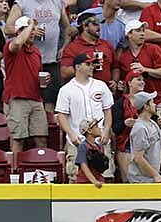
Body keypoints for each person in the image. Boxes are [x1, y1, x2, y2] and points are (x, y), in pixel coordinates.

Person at [55, 53, 114, 183]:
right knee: (76, 177)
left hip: (100, 140)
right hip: (77, 140)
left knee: (106, 175)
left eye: (92, 64)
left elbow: (108, 111)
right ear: (77, 67)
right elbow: (61, 115)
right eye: (88, 64)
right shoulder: (66, 89)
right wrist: (71, 134)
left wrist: (106, 130)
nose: (92, 67)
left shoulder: (101, 86)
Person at [5, 0, 71, 112]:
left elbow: (67, 28)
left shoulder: (57, 3)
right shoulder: (21, 3)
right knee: (30, 99)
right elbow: (8, 28)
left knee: (51, 100)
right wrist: (31, 31)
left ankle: (48, 128)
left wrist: (64, 46)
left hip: (51, 61)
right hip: (28, 60)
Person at [3, 16, 50, 169]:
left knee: (41, 138)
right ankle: (15, 173)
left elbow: (37, 76)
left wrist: (45, 81)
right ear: (18, 32)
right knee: (18, 139)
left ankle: (41, 171)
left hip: (36, 98)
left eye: (31, 30)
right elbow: (17, 43)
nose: (30, 32)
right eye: (25, 29)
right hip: (17, 98)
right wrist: (31, 25)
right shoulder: (11, 45)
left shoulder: (36, 52)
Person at [117, 20, 161, 111]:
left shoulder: (154, 49)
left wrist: (145, 70)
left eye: (143, 30)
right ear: (129, 34)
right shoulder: (124, 58)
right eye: (138, 31)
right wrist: (122, 85)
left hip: (160, 100)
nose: (142, 34)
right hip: (138, 104)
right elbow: (126, 83)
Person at [60, 11, 118, 89]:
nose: (99, 27)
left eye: (99, 24)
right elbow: (64, 72)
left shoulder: (106, 44)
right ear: (85, 26)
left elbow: (115, 67)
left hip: (106, 91)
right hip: (83, 92)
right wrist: (86, 65)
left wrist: (115, 81)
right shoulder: (72, 47)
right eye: (95, 24)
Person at [112, 70, 147, 182]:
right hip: (126, 145)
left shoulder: (148, 101)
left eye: (143, 80)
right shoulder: (120, 103)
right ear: (129, 83)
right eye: (138, 79)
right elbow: (116, 128)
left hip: (145, 145)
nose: (142, 82)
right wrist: (125, 124)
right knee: (129, 180)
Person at [127, 91, 161, 183]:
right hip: (141, 179)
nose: (155, 104)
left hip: (153, 176)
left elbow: (156, 146)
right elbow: (138, 158)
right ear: (146, 107)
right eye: (152, 102)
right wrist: (155, 175)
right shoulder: (140, 128)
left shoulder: (153, 123)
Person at [75, 118, 107, 188]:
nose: (99, 128)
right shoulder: (83, 146)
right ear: (89, 130)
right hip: (85, 182)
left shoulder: (99, 146)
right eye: (96, 126)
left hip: (98, 180)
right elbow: (83, 165)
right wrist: (94, 181)